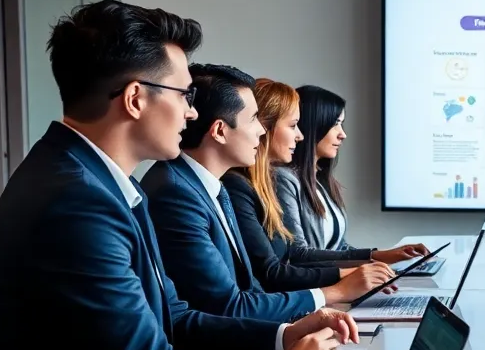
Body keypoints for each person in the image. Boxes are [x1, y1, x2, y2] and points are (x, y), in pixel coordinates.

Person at [0, 0, 358, 350]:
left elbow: (175, 316)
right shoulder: (76, 201)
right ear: (134, 99)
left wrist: (283, 335)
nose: (192, 111)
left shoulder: (104, 181)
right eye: (184, 94)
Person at [142, 64, 387, 321]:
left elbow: (250, 289)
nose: (261, 130)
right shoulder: (179, 193)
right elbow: (229, 306)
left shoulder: (211, 187)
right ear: (219, 131)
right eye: (253, 120)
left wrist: (293, 328)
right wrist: (332, 293)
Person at [222, 78, 408, 293]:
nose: (299, 135)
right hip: (295, 300)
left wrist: (369, 266)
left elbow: (329, 249)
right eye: (293, 126)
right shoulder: (247, 186)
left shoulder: (268, 185)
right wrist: (356, 272)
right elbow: (282, 266)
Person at [278, 84, 428, 261]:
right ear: (314, 125)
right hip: (321, 285)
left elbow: (338, 247)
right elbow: (298, 254)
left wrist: (384, 256)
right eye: (335, 124)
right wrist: (372, 261)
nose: (342, 134)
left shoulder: (320, 181)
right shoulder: (284, 179)